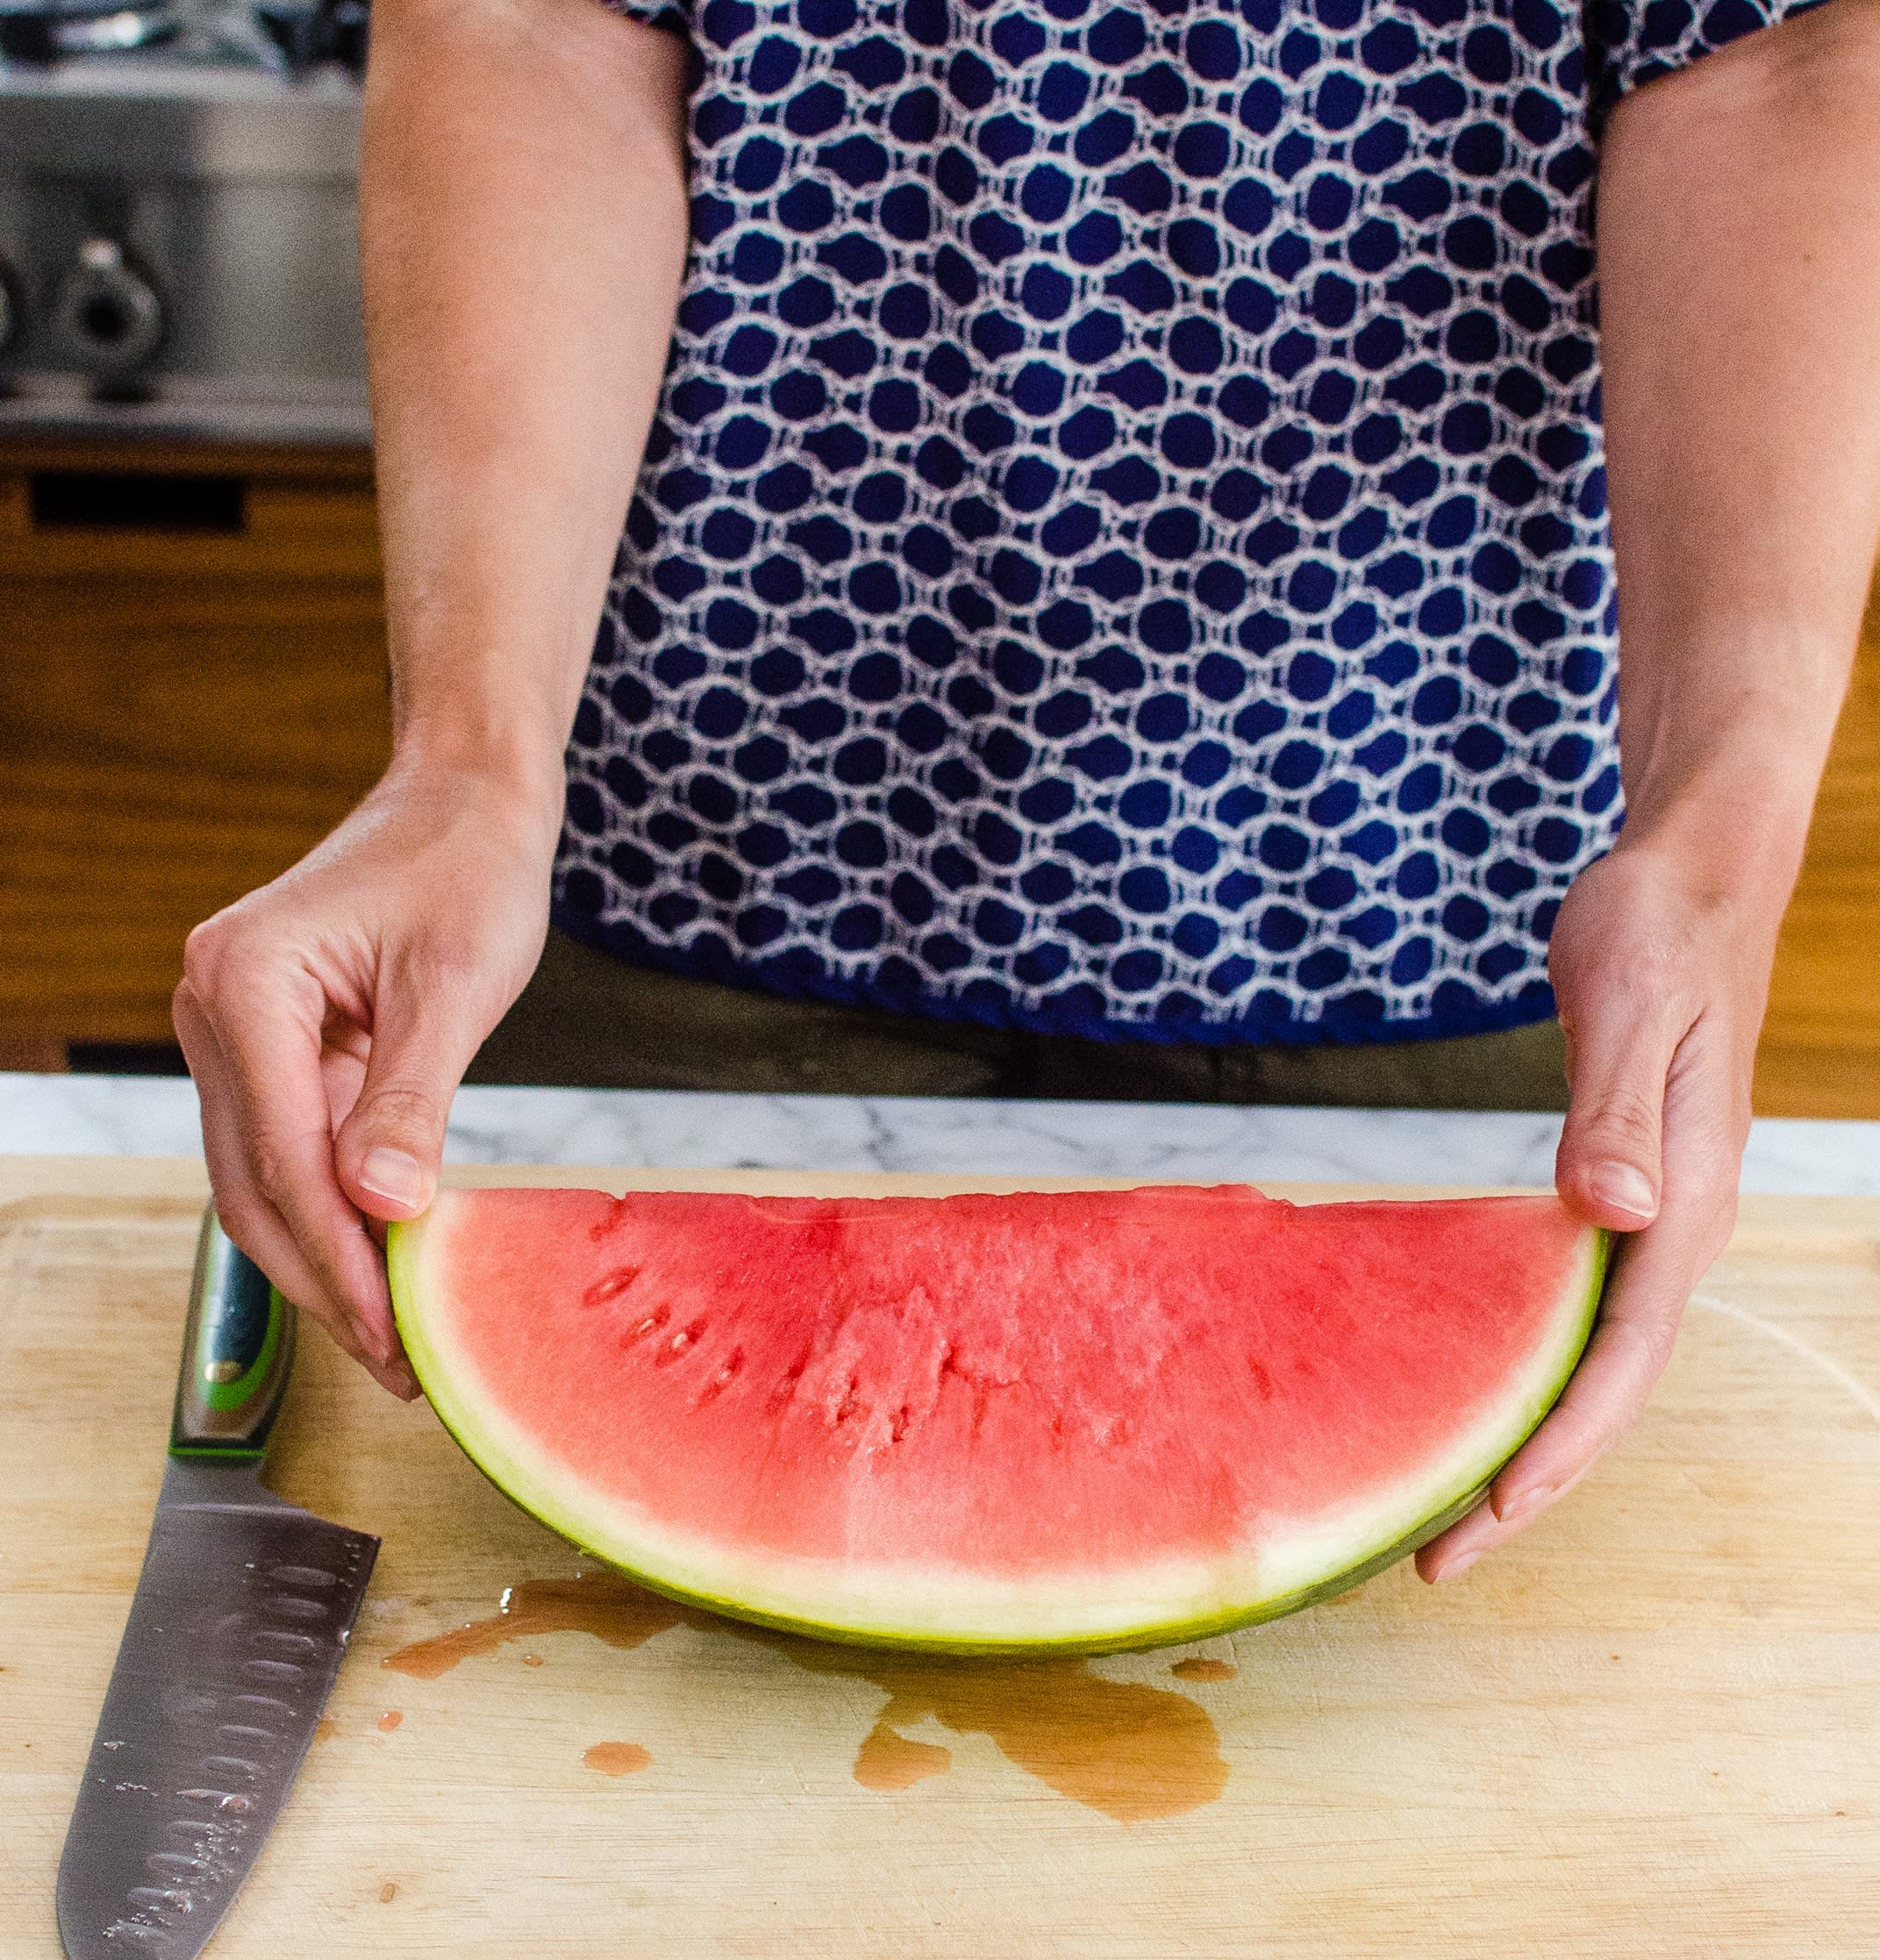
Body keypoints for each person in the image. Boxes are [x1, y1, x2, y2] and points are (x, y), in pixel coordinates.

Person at [174, 0, 1880, 1585]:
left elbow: (1782, 50)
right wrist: (468, 759)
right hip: (694, 858)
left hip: (1437, 875)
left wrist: (1713, 828)